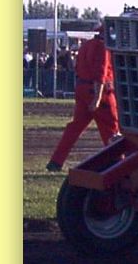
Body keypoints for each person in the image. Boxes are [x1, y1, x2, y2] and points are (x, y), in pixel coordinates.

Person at [46, 25, 120, 171]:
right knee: (112, 128)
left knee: (75, 128)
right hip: (99, 92)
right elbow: (100, 75)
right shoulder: (103, 48)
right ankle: (119, 161)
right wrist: (97, 99)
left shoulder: (87, 45)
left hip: (82, 88)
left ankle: (56, 161)